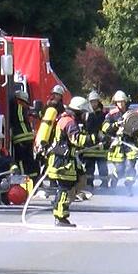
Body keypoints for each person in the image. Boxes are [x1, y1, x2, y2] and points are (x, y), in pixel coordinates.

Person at [47, 96, 90, 227]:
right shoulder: (69, 121)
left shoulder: (65, 119)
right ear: (78, 111)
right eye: (83, 113)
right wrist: (94, 138)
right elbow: (76, 139)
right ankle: (60, 217)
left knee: (79, 181)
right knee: (65, 188)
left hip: (67, 160)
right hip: (62, 162)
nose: (84, 116)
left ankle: (60, 209)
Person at [102, 90, 137, 194]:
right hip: (118, 145)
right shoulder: (112, 114)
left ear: (125, 101)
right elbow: (105, 127)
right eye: (118, 102)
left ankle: (129, 187)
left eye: (122, 101)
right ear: (115, 103)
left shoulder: (131, 113)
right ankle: (113, 182)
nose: (120, 104)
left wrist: (134, 130)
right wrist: (115, 125)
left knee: (130, 167)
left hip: (130, 144)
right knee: (120, 169)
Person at [9, 90, 39, 190]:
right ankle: (30, 180)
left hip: (21, 138)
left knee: (22, 161)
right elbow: (20, 118)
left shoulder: (18, 106)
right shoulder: (20, 106)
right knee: (27, 160)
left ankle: (25, 181)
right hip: (24, 137)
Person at [81, 90, 110, 188]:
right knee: (89, 168)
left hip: (101, 145)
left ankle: (104, 184)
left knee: (103, 167)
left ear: (98, 102)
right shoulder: (85, 114)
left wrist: (105, 136)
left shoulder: (103, 114)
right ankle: (89, 184)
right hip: (89, 145)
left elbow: (106, 125)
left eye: (95, 101)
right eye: (92, 102)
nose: (94, 103)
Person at [34, 84, 68, 160]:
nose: (56, 96)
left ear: (61, 96)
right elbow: (42, 115)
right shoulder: (49, 104)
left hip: (54, 131)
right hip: (47, 130)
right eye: (55, 94)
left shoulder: (58, 106)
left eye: (57, 94)